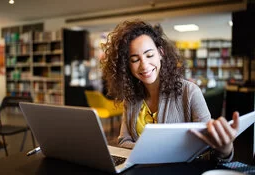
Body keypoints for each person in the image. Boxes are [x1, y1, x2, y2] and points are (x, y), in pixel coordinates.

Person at [101, 19, 239, 162]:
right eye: (135, 60)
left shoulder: (190, 92)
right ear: (127, 65)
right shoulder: (130, 99)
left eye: (149, 55)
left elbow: (209, 150)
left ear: (160, 53)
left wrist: (225, 149)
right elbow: (123, 142)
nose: (144, 65)